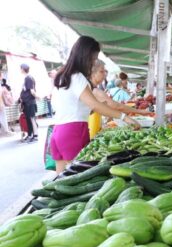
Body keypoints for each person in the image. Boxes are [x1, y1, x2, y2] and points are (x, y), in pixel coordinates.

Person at [51, 36, 140, 173]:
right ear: (86, 56)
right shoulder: (78, 77)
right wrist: (124, 117)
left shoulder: (63, 75)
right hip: (73, 131)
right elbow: (94, 105)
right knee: (77, 176)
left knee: (60, 179)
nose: (93, 63)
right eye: (93, 58)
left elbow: (78, 106)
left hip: (58, 131)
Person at [88, 60, 150, 138]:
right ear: (92, 73)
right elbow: (116, 106)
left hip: (92, 129)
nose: (105, 75)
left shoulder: (91, 89)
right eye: (101, 71)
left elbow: (107, 109)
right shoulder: (95, 91)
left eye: (105, 71)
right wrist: (138, 112)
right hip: (90, 131)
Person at [19, 63, 39, 142]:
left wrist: (38, 96)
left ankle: (35, 136)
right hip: (26, 102)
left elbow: (32, 91)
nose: (20, 70)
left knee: (32, 119)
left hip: (30, 102)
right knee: (28, 119)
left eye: (20, 68)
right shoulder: (26, 78)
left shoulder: (29, 78)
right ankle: (30, 135)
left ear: (23, 69)